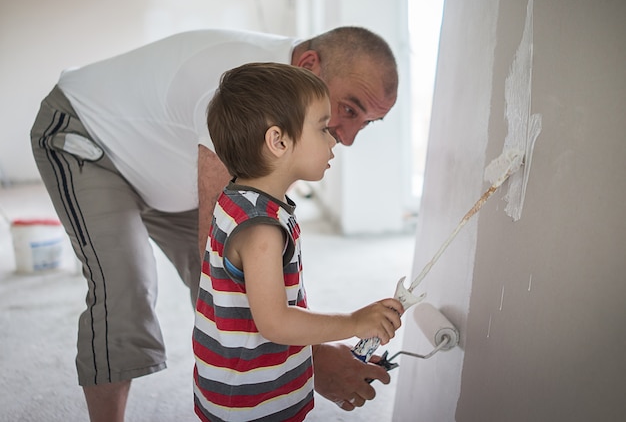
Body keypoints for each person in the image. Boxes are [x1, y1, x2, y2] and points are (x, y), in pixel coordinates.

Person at [30, 26, 398, 422]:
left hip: (162, 166)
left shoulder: (271, 145)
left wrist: (300, 355)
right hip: (85, 137)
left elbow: (229, 290)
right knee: (124, 293)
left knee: (216, 275)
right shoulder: (246, 96)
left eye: (366, 122)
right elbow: (228, 277)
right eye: (347, 110)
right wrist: (313, 358)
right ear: (309, 65)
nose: (347, 138)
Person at [193, 62, 403, 421]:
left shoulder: (239, 199)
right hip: (252, 401)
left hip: (238, 383)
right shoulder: (261, 230)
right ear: (279, 141)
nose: (334, 139)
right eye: (323, 128)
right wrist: (354, 322)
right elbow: (275, 322)